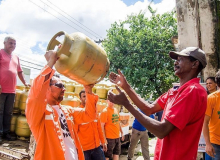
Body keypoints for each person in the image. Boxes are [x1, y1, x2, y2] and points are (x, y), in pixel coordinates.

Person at [108, 47, 207, 160]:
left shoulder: (193, 91)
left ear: (194, 64)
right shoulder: (174, 91)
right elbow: (148, 108)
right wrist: (125, 86)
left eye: (180, 59)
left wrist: (127, 104)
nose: (175, 63)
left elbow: (161, 130)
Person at [25, 50, 98, 160]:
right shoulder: (39, 114)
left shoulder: (67, 111)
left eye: (64, 86)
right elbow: (35, 94)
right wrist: (51, 62)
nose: (63, 89)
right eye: (59, 85)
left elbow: (90, 115)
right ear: (47, 88)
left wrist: (88, 90)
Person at [0, 36, 29, 142]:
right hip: (1, 89)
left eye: (14, 44)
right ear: (4, 43)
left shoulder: (16, 57)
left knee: (8, 112)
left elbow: (20, 71)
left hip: (11, 90)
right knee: (0, 112)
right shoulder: (0, 53)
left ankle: (6, 133)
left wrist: (25, 82)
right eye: (10, 43)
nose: (13, 45)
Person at [76, 89, 107, 160]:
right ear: (80, 99)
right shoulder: (78, 113)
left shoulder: (94, 113)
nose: (86, 99)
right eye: (84, 96)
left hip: (97, 147)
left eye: (87, 96)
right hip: (84, 149)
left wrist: (103, 141)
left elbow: (99, 128)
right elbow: (74, 132)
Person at [203, 71, 220, 159]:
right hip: (216, 143)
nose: (208, 85)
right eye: (207, 83)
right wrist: (208, 144)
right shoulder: (211, 98)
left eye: (210, 83)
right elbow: (205, 122)